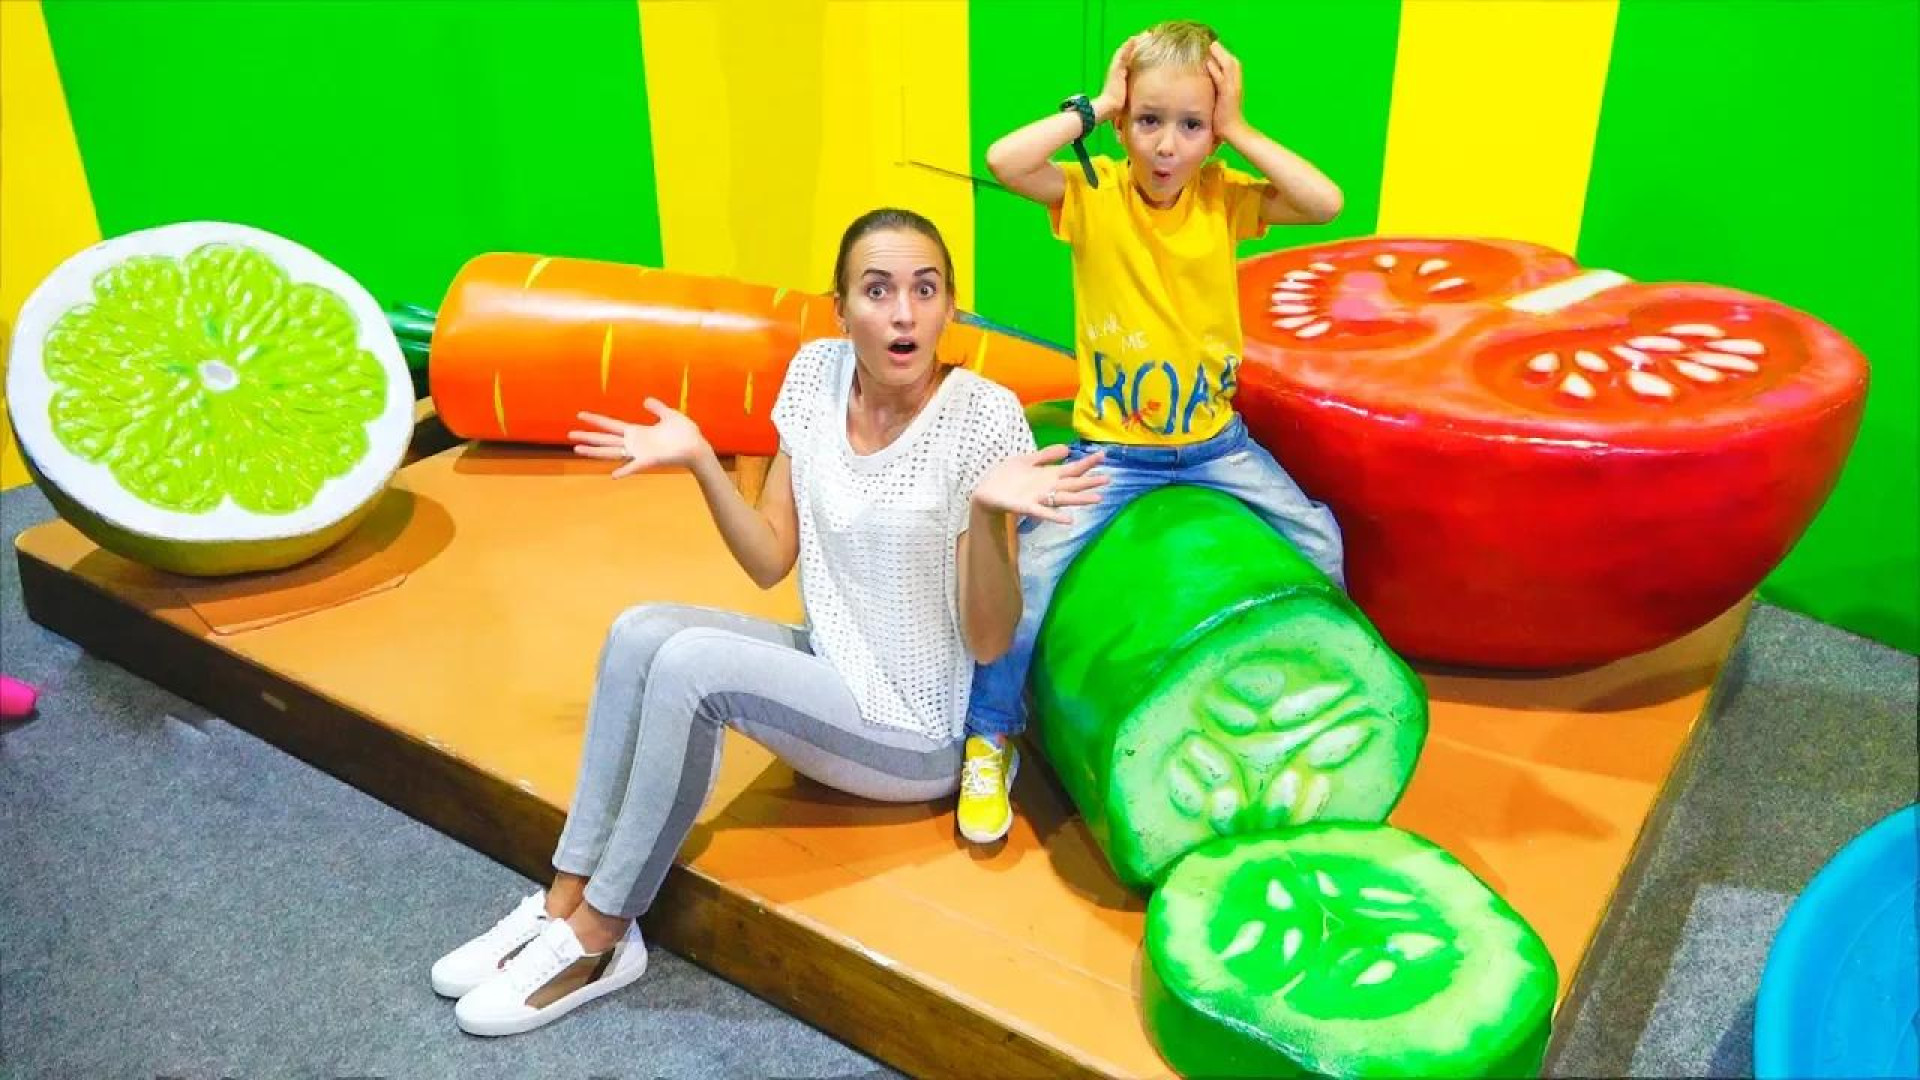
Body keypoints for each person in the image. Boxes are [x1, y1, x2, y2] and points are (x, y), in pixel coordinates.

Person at [430, 208, 1107, 1037]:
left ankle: (603, 935)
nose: (903, 313)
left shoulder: (983, 416)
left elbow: (990, 641)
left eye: (925, 290)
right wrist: (700, 462)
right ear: (841, 309)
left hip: (914, 725)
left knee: (693, 670)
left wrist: (986, 511)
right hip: (833, 661)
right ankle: (562, 898)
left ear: (950, 307)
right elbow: (769, 558)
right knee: (639, 631)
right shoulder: (816, 373)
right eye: (878, 290)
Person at [955, 20, 1348, 845]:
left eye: (1191, 125)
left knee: (1318, 537)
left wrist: (1240, 129)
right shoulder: (1093, 194)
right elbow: (1005, 159)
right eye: (1149, 121)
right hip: (1114, 452)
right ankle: (989, 734)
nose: (1168, 145)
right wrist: (1096, 105)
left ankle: (1323, 681)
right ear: (1125, 124)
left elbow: (1325, 203)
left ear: (1214, 133)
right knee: (1034, 575)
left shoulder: (1224, 199)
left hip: (1216, 446)